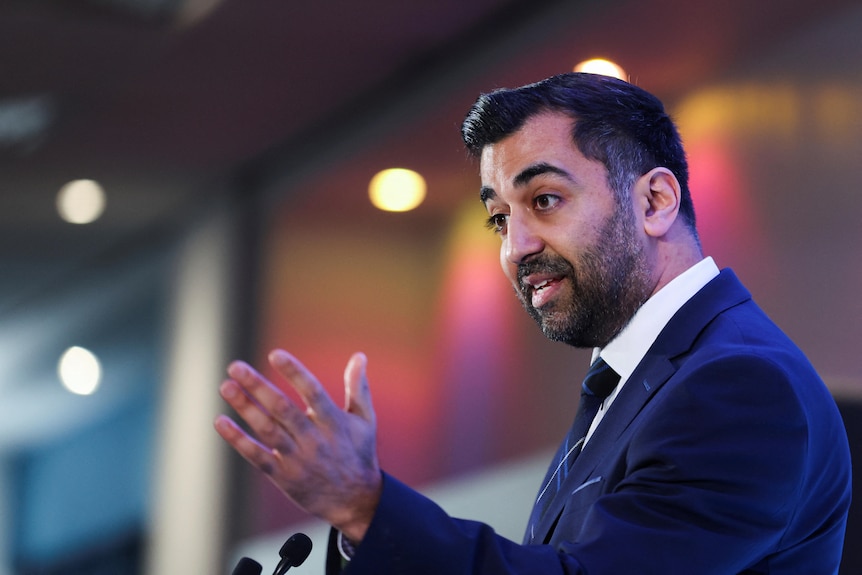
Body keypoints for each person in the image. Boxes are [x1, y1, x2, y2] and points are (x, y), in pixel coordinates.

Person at [214, 73, 852, 574]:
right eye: (499, 218)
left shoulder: (739, 384)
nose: (515, 246)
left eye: (544, 200)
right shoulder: (631, 384)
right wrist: (363, 528)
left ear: (655, 200)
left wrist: (365, 505)